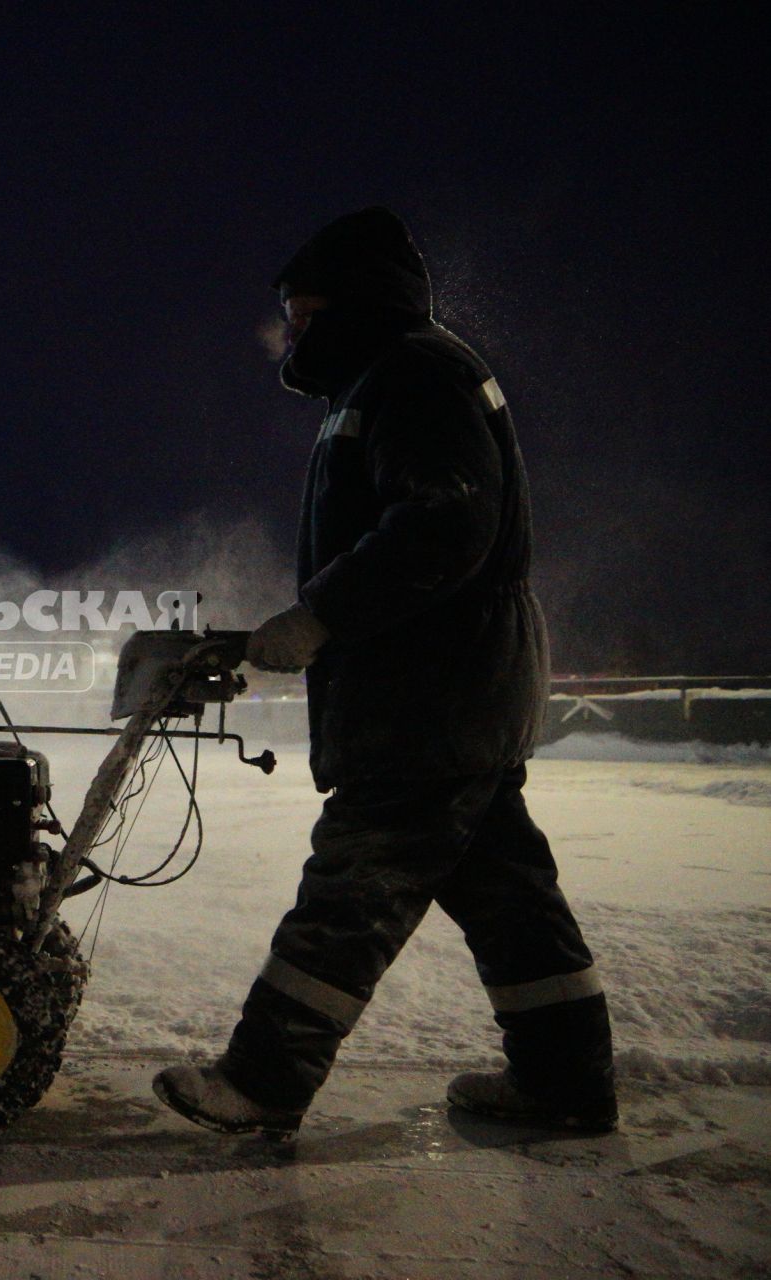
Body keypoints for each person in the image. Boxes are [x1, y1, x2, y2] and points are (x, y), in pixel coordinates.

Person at [153, 208, 617, 1138]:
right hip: (453, 688)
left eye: (302, 308)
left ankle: (264, 1082)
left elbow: (444, 523)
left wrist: (321, 613)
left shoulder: (414, 373)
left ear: (349, 303)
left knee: (354, 886)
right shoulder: (387, 377)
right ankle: (566, 1085)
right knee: (510, 898)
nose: (290, 328)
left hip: (432, 698)